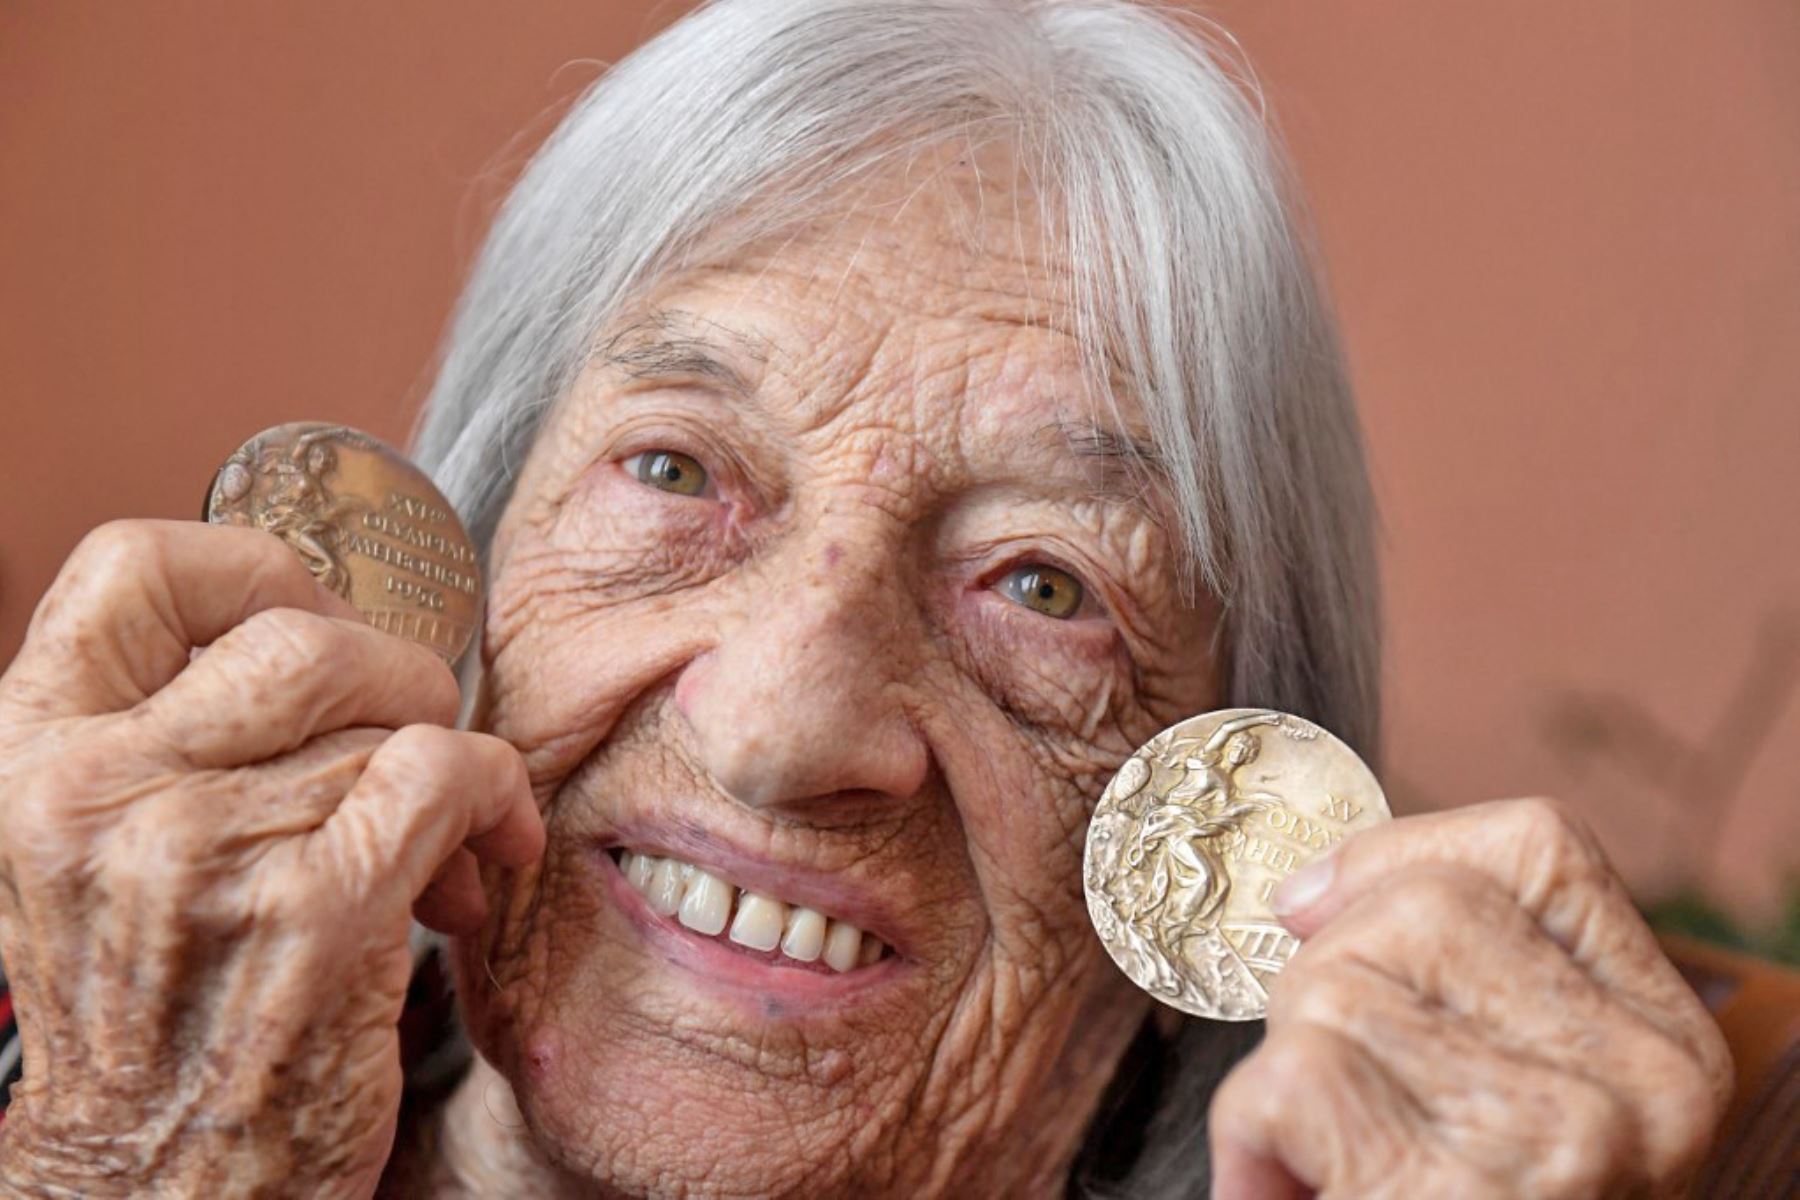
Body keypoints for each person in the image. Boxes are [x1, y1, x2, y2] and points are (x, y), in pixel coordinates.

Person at [0, 1, 1730, 1195]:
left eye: (1042, 583)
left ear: (1228, 811)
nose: (778, 728)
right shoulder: (80, 1068)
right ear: (464, 567)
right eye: (675, 471)